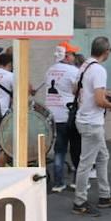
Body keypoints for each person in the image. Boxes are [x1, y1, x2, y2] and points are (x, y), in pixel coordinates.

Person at [71, 36, 111, 215]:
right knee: (86, 163)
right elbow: (100, 101)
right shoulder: (99, 70)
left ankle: (104, 195)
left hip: (83, 119)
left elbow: (75, 89)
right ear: (106, 51)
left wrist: (99, 93)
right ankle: (80, 202)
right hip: (92, 122)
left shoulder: (84, 65)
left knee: (103, 157)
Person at [43, 42, 82, 191]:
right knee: (76, 149)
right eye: (72, 54)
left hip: (53, 116)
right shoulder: (73, 71)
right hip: (69, 115)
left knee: (59, 150)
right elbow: (78, 91)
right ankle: (77, 181)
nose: (74, 56)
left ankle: (58, 183)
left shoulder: (49, 71)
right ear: (66, 56)